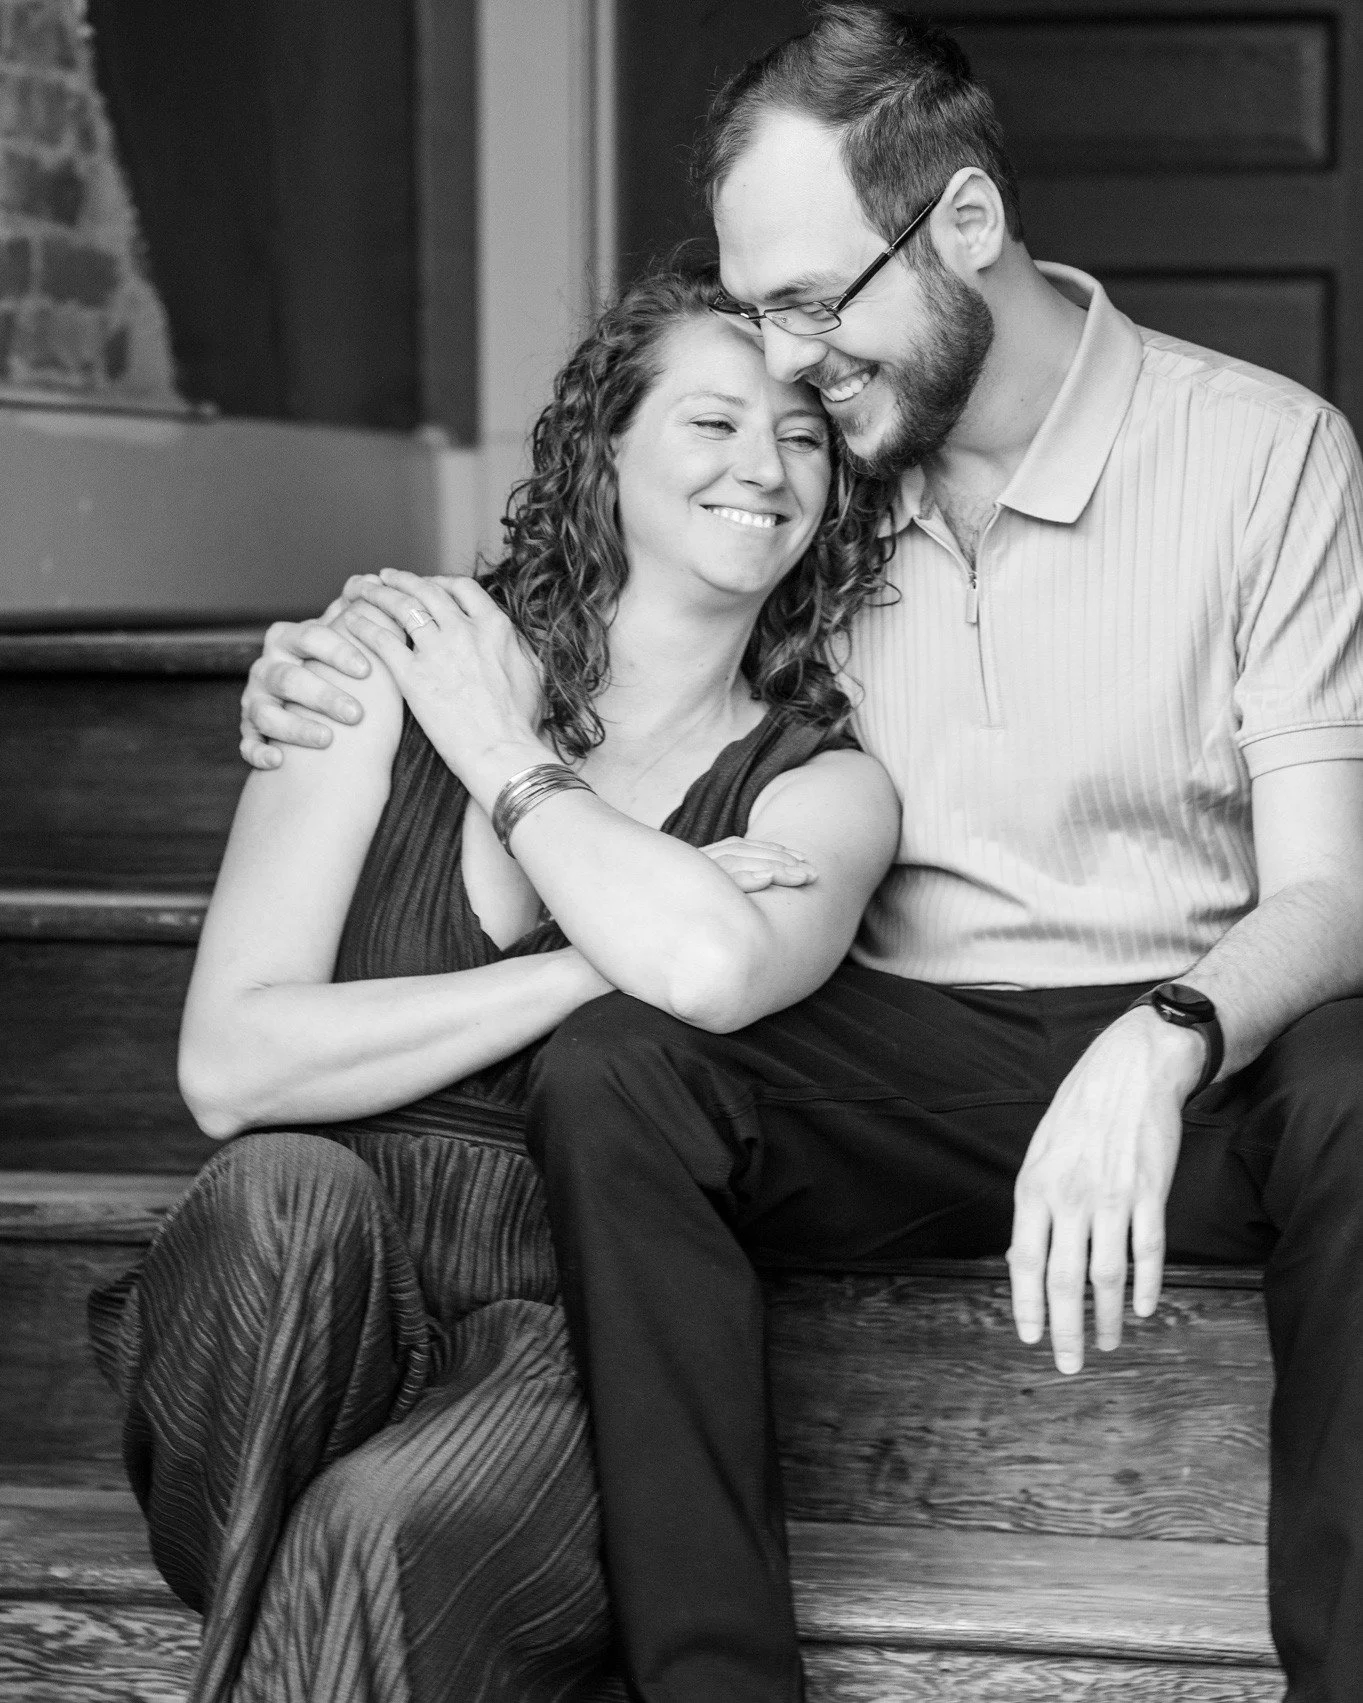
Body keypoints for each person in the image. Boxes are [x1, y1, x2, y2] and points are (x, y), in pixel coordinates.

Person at [243, 6, 1363, 1700]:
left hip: (1194, 1056)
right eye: (759, 308)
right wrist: (350, 652)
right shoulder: (815, 468)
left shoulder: (1265, 452)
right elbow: (595, 585)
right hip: (896, 1055)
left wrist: (1168, 1037)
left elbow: (1333, 889)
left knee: (1360, 1082)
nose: (785, 362)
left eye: (814, 302)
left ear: (964, 224)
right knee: (618, 1065)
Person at [89, 266, 902, 1703]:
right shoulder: (387, 665)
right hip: (289, 1318)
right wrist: (590, 961)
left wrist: (501, 750)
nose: (765, 468)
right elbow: (230, 1067)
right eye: (713, 422)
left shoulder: (821, 789)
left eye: (802, 437)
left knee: (376, 1527)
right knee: (286, 1193)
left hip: (557, 1338)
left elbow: (708, 967)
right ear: (607, 446)